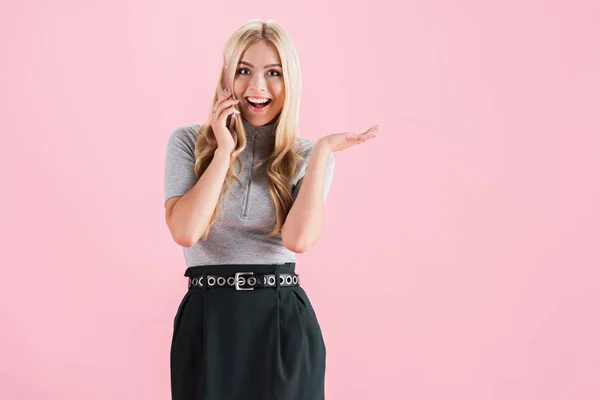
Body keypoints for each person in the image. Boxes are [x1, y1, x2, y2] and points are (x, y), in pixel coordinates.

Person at [163, 18, 378, 400]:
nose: (257, 87)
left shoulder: (309, 156)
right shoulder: (188, 143)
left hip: (280, 323)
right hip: (207, 317)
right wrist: (224, 151)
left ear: (289, 81)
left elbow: (298, 240)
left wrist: (323, 153)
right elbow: (185, 231)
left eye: (273, 73)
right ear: (227, 77)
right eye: (244, 71)